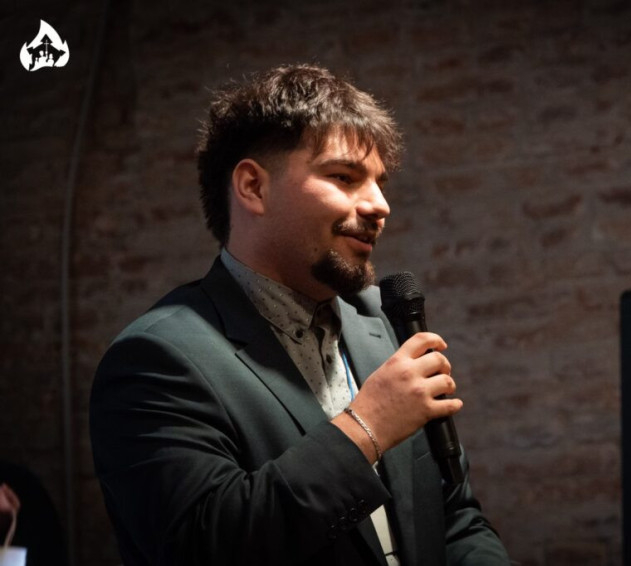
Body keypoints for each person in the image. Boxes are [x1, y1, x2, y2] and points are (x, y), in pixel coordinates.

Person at [90, 64, 510, 565]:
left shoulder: (383, 324)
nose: (380, 205)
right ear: (253, 187)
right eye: (344, 177)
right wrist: (368, 426)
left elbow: (455, 515)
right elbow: (206, 546)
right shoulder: (156, 359)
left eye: (379, 182)